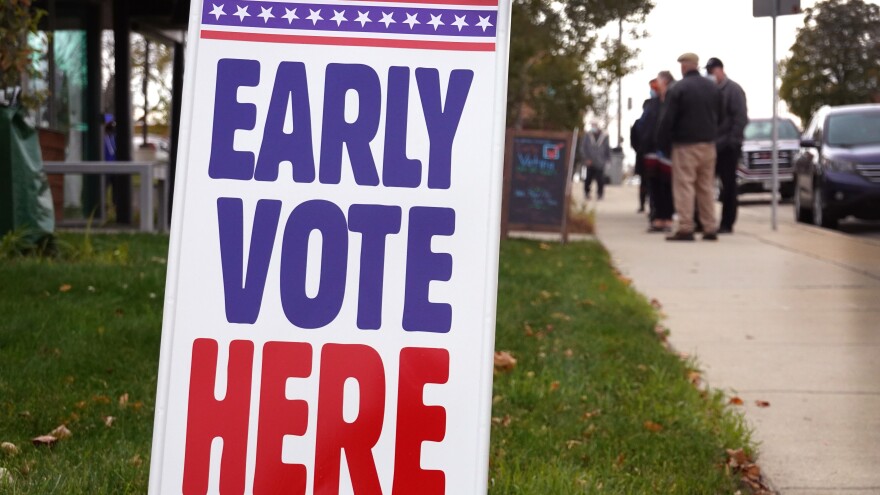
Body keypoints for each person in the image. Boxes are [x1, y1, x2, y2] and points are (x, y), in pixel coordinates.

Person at [656, 52, 722, 241]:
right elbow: (722, 114)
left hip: (685, 145)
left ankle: (686, 227)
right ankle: (710, 227)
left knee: (684, 185)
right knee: (706, 186)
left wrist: (663, 143)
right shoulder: (712, 88)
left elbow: (667, 119)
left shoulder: (678, 88)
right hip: (708, 145)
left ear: (684, 66)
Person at [705, 57, 748, 234]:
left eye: (713, 71)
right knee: (706, 185)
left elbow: (740, 118)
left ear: (720, 70)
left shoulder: (733, 90)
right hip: (712, 145)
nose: (711, 75)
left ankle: (727, 223)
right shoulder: (710, 91)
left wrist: (732, 141)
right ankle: (706, 221)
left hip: (728, 147)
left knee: (729, 186)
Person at [641, 71, 676, 232]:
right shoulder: (652, 104)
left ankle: (667, 218)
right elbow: (643, 126)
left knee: (666, 186)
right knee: (653, 186)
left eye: (659, 82)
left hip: (667, 151)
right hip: (652, 152)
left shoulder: (671, 102)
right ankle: (657, 217)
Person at [631, 79, 660, 214]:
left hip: (650, 153)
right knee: (646, 182)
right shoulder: (639, 123)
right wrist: (640, 149)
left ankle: (653, 206)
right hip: (644, 155)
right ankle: (645, 205)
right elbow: (634, 140)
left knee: (652, 183)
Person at [581, 121, 611, 200]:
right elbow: (583, 148)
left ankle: (600, 194)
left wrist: (607, 160)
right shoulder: (588, 135)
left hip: (600, 162)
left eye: (595, 125)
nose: (593, 127)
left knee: (600, 179)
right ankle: (587, 193)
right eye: (592, 125)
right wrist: (586, 159)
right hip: (590, 161)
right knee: (588, 179)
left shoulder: (604, 136)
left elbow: (607, 148)